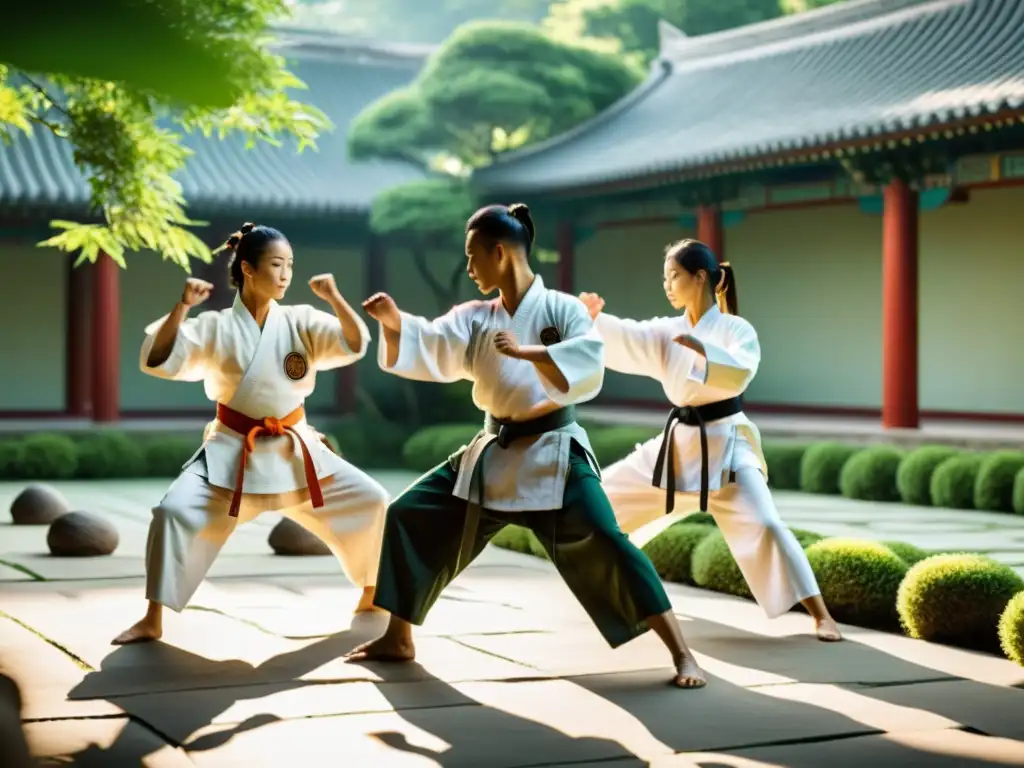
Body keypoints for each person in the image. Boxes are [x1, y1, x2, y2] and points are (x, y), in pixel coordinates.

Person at [348, 203, 708, 688]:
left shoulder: (563, 309)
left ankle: (682, 653)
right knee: (410, 514)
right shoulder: (477, 316)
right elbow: (433, 339)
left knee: (607, 542)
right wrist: (396, 324)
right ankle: (399, 636)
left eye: (474, 256)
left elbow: (586, 362)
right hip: (493, 450)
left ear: (501, 252)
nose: (470, 267)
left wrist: (529, 352)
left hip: (553, 452)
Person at [112, 223, 390, 645]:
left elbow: (353, 343)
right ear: (248, 268)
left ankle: (371, 591)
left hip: (296, 454)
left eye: (290, 266)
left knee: (371, 499)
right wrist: (182, 307)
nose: (285, 274)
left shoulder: (299, 320)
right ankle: (153, 617)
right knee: (172, 513)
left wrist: (334, 298)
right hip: (233, 453)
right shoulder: (217, 326)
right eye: (277, 264)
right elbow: (159, 357)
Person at [578, 239, 842, 642]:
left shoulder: (736, 329)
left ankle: (821, 615)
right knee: (600, 505)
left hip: (726, 447)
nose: (667, 285)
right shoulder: (669, 329)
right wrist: (593, 321)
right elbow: (628, 336)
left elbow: (741, 370)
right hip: (676, 448)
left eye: (674, 276)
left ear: (699, 277)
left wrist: (703, 351)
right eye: (664, 277)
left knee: (767, 524)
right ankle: (632, 597)